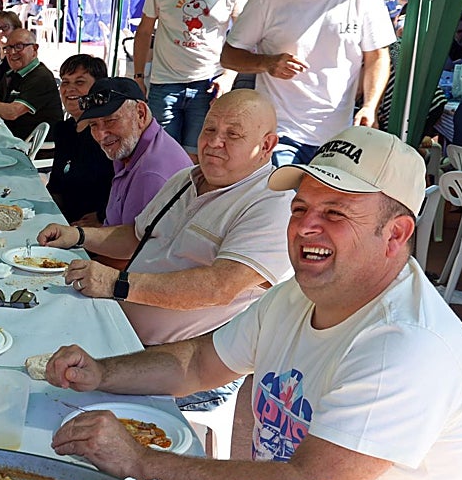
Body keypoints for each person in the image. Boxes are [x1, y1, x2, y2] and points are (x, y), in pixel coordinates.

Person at [47, 126, 462, 480]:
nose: (306, 227)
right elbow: (199, 361)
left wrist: (142, 461)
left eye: (335, 213)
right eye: (300, 208)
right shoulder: (299, 294)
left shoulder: (406, 342)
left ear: (395, 234)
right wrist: (102, 372)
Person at [39, 89, 293, 412]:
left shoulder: (272, 204)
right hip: (120, 332)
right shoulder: (187, 179)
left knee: (60, 402)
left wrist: (117, 283)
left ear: (267, 145)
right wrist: (76, 236)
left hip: (180, 368)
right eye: (210, 129)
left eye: (233, 134)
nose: (215, 142)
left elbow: (219, 287)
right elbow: (135, 235)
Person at [222, 0, 394, 166]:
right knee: (282, 204)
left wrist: (370, 106)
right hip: (279, 131)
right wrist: (267, 63)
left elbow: (377, 55)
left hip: (338, 134)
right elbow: (229, 56)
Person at [133, 0, 249, 155]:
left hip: (208, 83)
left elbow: (243, 34)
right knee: (160, 155)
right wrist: (139, 77)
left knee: (200, 156)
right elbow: (144, 31)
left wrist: (228, 76)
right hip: (165, 83)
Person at [74, 76, 192, 227]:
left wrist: (81, 237)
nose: (100, 135)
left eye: (110, 121)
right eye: (93, 125)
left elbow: (130, 248)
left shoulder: (150, 174)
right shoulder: (132, 148)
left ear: (140, 113)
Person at [46, 54, 114, 225]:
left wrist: (102, 216)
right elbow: (56, 185)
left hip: (98, 229)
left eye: (80, 82)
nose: (69, 89)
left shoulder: (108, 135)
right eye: (65, 82)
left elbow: (126, 188)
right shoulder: (64, 130)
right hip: (61, 220)